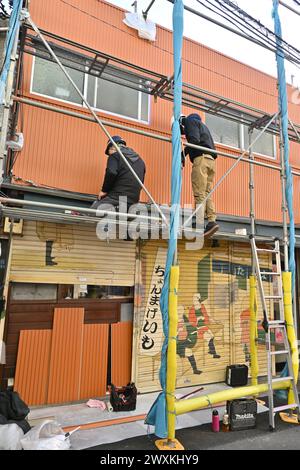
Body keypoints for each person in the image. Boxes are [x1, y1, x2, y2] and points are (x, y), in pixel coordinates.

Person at [180, 113, 219, 238]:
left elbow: (194, 141)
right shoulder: (203, 127)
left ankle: (200, 222)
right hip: (211, 161)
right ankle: (212, 221)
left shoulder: (189, 122)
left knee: (199, 191)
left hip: (201, 159)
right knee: (207, 193)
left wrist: (184, 153)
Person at [91, 135, 146, 210]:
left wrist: (104, 190)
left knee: (93, 210)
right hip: (133, 203)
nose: (109, 155)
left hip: (116, 198)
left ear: (112, 147)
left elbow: (111, 173)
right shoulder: (141, 161)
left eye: (109, 152)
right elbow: (141, 183)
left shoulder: (115, 155)